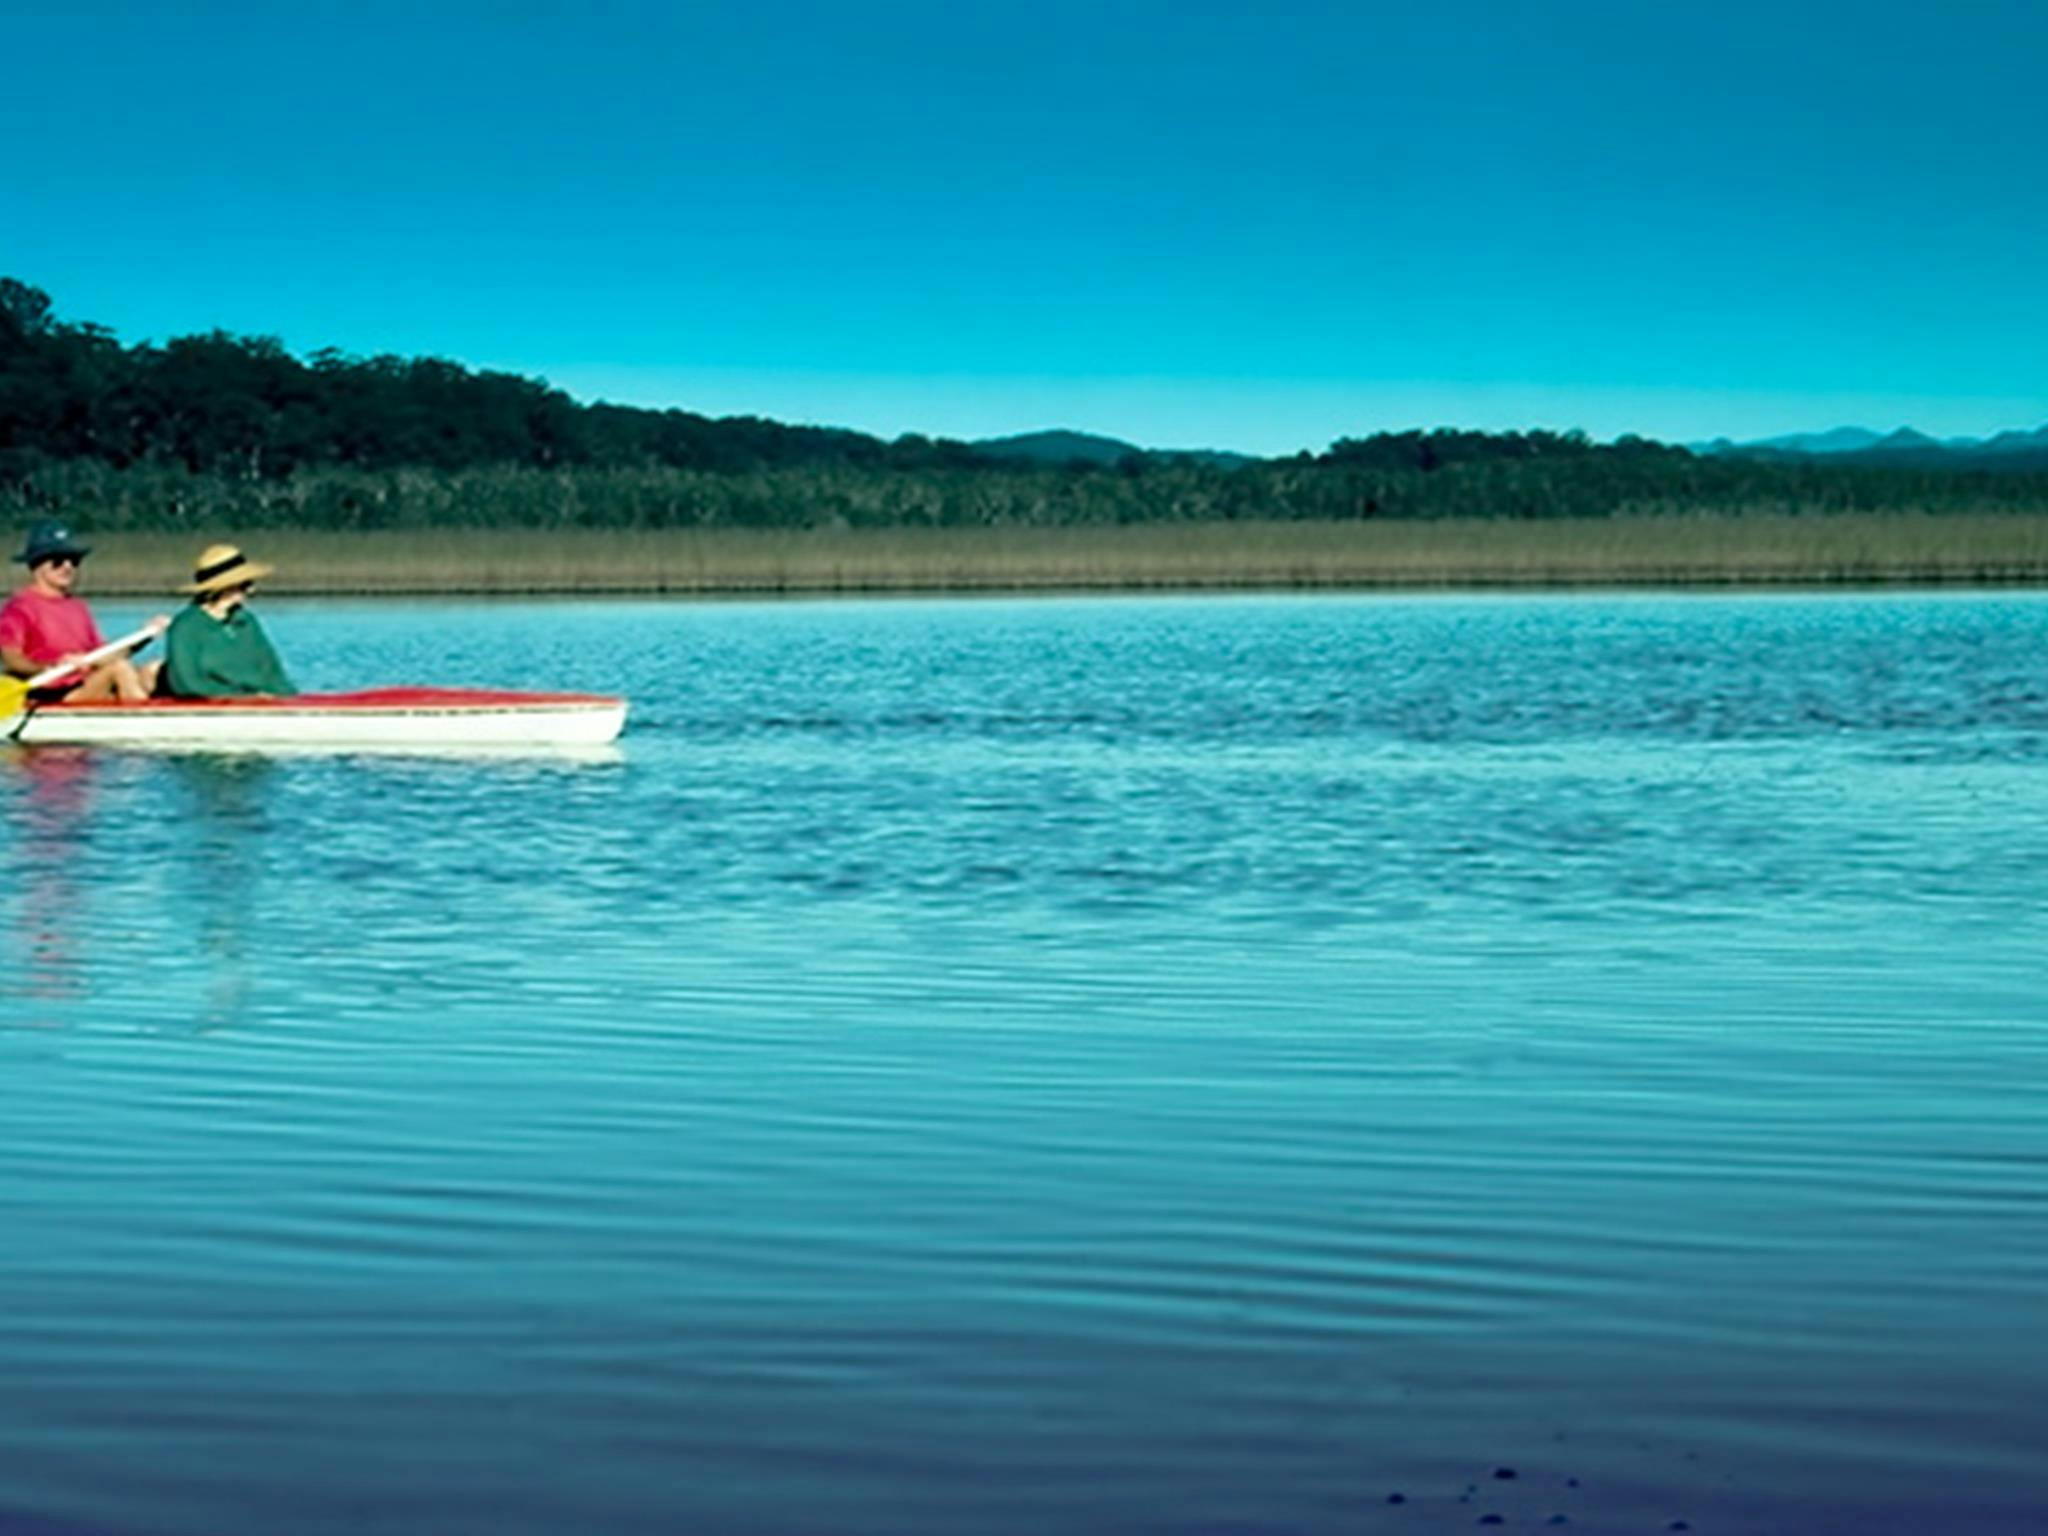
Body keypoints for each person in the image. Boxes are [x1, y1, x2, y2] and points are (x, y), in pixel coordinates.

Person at [1, 520, 165, 701]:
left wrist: (144, 637)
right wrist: (50, 666)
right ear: (36, 565)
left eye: (74, 561)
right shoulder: (19, 608)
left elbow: (102, 656)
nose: (67, 567)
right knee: (119, 669)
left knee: (151, 671)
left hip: (84, 684)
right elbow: (11, 659)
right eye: (57, 561)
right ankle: (146, 721)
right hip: (52, 693)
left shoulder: (77, 607)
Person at [160, 543, 296, 699]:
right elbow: (185, 683)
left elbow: (272, 672)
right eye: (245, 584)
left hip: (259, 704)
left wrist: (287, 697)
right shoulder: (186, 626)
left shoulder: (247, 621)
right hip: (214, 706)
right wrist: (243, 697)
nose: (251, 590)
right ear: (224, 587)